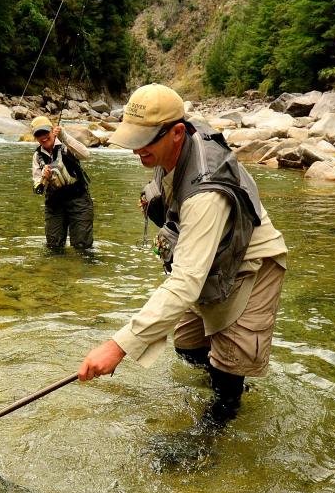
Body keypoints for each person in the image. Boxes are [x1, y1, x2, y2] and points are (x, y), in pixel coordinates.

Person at [76, 84, 287, 430]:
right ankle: (212, 386)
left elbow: (184, 285)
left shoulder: (205, 192)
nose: (133, 149)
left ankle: (218, 423)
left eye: (144, 140)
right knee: (188, 346)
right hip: (212, 255)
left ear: (176, 132)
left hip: (251, 264)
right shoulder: (177, 140)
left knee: (228, 367)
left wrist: (117, 347)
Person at [30, 115, 94, 252]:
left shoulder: (66, 144)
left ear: (52, 130)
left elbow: (86, 154)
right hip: (54, 204)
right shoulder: (37, 156)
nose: (43, 137)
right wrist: (44, 178)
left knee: (83, 247)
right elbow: (38, 187)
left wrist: (64, 135)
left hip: (79, 199)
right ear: (35, 137)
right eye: (38, 134)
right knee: (54, 248)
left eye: (45, 132)